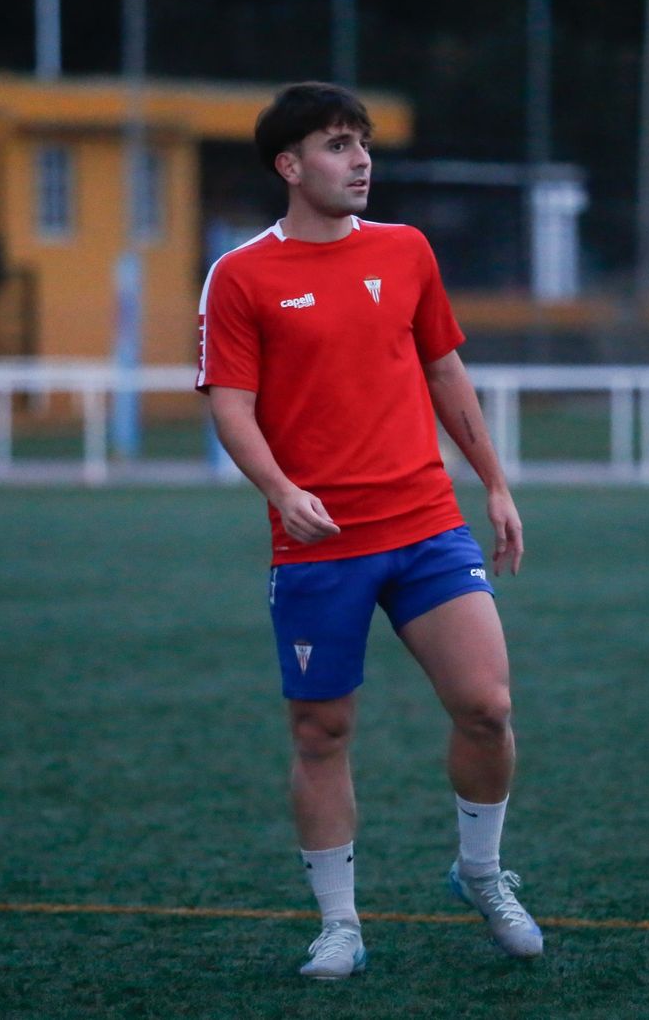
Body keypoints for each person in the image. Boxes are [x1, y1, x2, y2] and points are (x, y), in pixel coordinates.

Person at [198, 82, 541, 979]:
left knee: (488, 706)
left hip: (427, 523)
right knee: (321, 732)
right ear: (290, 165)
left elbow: (446, 372)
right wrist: (281, 489)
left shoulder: (407, 251)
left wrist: (496, 486)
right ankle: (340, 923)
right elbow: (230, 408)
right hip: (319, 543)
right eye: (338, 145)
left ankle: (480, 870)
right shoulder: (241, 275)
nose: (361, 162)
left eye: (363, 144)